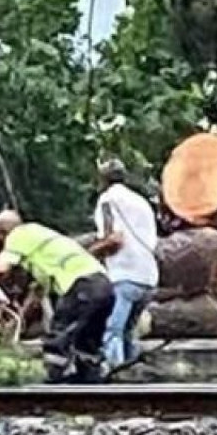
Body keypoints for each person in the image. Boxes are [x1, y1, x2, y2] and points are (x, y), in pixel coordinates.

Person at [0, 210, 113, 383]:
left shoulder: (18, 235)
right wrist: (19, 320)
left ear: (2, 234)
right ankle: (90, 383)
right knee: (87, 342)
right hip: (105, 285)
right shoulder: (42, 236)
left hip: (82, 285)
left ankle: (49, 381)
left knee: (58, 338)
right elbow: (36, 293)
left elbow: (0, 269)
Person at [89, 159, 159, 375]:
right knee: (128, 331)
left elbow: (114, 239)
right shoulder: (140, 201)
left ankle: (115, 378)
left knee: (113, 330)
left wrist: (89, 254)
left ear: (102, 179)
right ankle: (133, 377)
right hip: (148, 276)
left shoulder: (108, 200)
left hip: (125, 274)